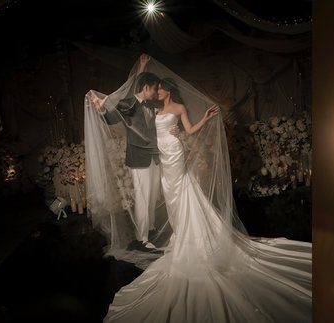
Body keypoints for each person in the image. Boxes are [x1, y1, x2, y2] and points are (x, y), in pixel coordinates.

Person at [85, 56, 312, 322]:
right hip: (161, 159)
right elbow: (132, 98)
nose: (156, 91)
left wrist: (203, 119)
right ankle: (181, 233)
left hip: (175, 156)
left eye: (160, 89)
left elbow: (190, 131)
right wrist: (117, 92)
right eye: (154, 89)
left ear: (167, 90)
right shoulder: (151, 108)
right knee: (171, 199)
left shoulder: (178, 107)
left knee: (184, 193)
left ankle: (192, 239)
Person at [90, 54, 170, 252]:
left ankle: (149, 229)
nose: (156, 92)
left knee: (151, 196)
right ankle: (142, 239)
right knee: (142, 198)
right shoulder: (129, 104)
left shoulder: (151, 104)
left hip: (153, 157)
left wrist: (142, 67)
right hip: (139, 159)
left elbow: (142, 88)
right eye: (154, 88)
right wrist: (101, 109)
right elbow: (110, 118)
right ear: (146, 89)